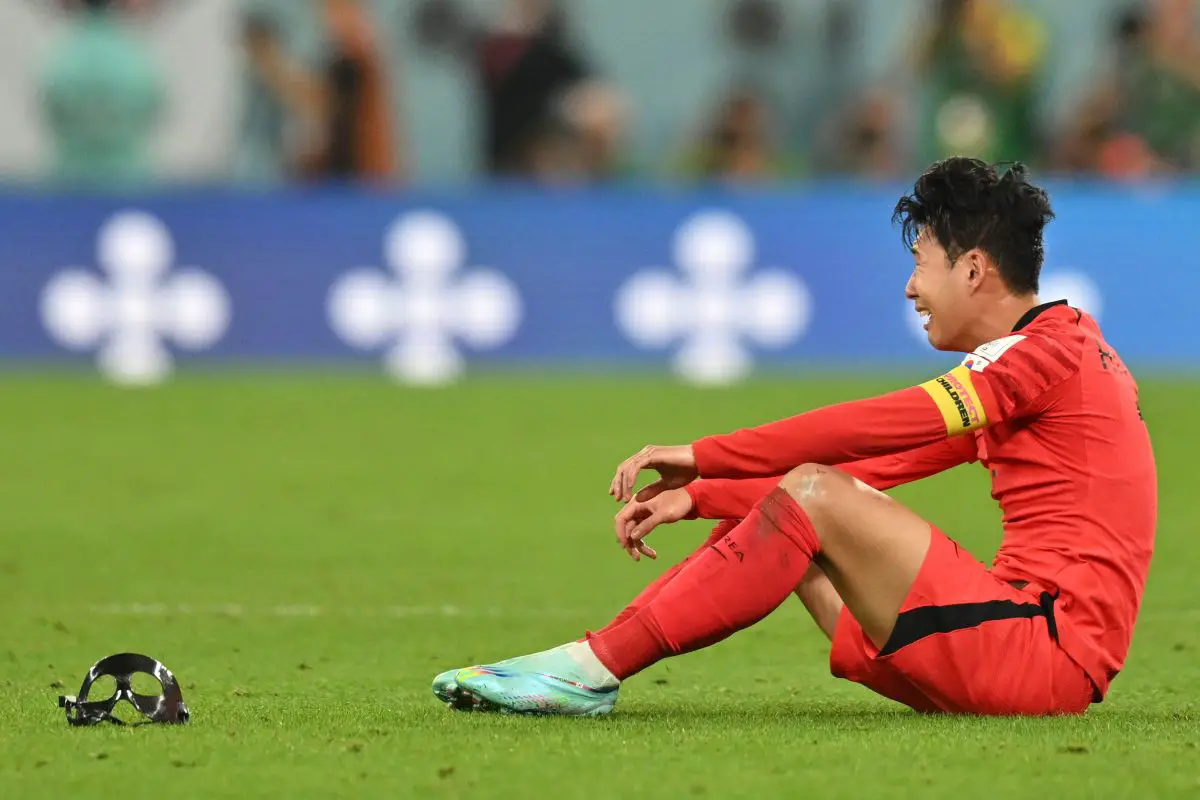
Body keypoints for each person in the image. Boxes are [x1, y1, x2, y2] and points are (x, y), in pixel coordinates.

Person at [432, 157, 1156, 717]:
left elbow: (876, 428)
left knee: (812, 491)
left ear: (972, 268)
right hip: (1010, 647)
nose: (910, 289)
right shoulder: (1063, 351)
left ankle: (589, 670)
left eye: (919, 264)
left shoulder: (1043, 357)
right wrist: (707, 495)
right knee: (799, 506)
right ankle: (590, 659)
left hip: (1042, 654)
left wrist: (706, 452)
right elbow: (888, 460)